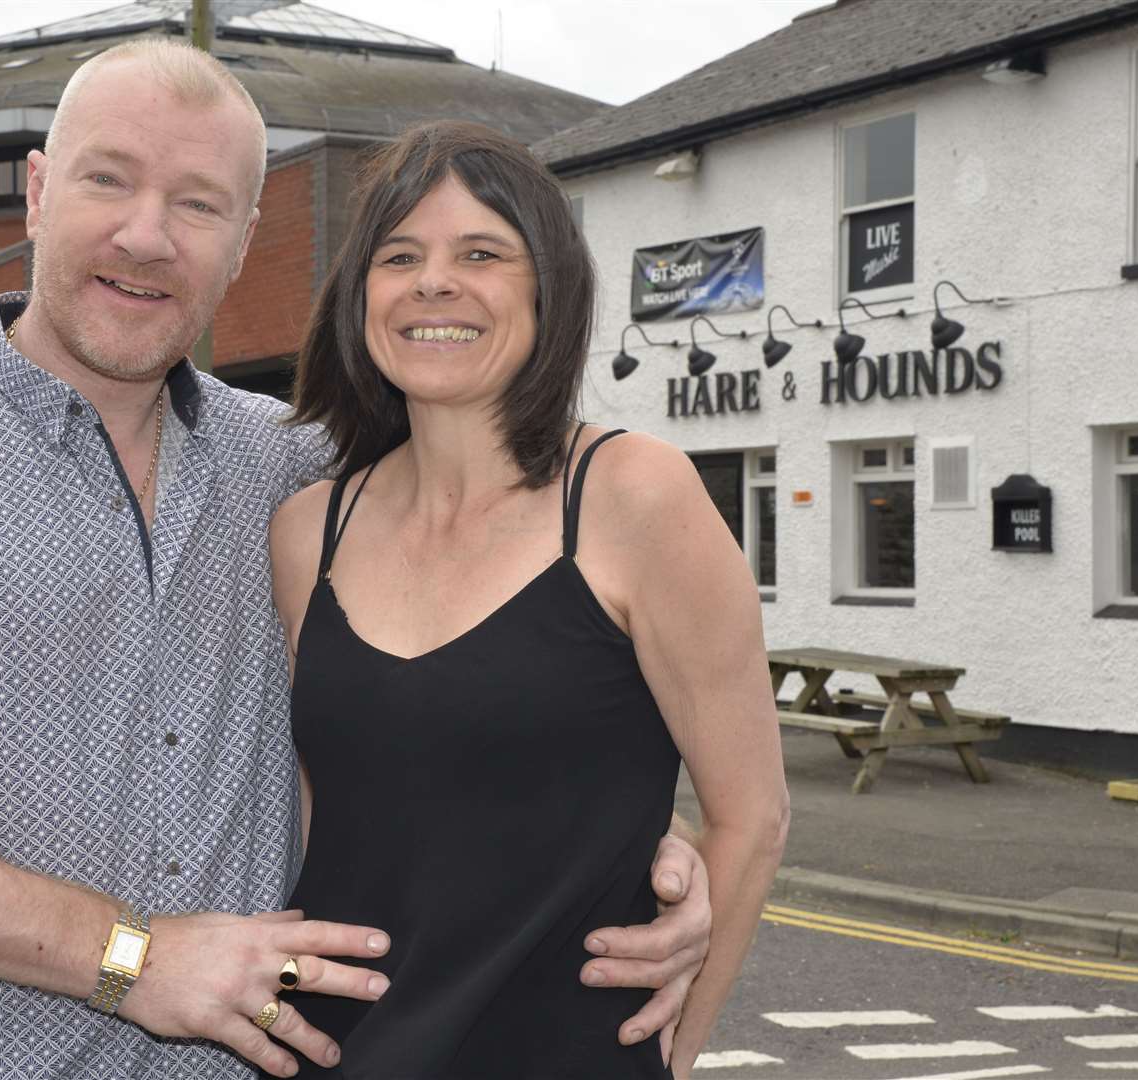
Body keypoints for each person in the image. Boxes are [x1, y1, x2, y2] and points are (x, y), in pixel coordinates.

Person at [0, 41, 712, 1080]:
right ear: (38, 192)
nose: (145, 236)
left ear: (245, 239)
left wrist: (631, 850)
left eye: (199, 204)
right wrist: (129, 960)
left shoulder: (306, 474)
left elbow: (499, 664)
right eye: (108, 179)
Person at [269, 121, 790, 1079]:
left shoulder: (636, 496)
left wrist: (673, 1051)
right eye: (400, 256)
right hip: (334, 1053)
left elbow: (752, 816)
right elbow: (325, 815)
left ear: (548, 290)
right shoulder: (310, 530)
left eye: (482, 253)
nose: (434, 282)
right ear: (360, 297)